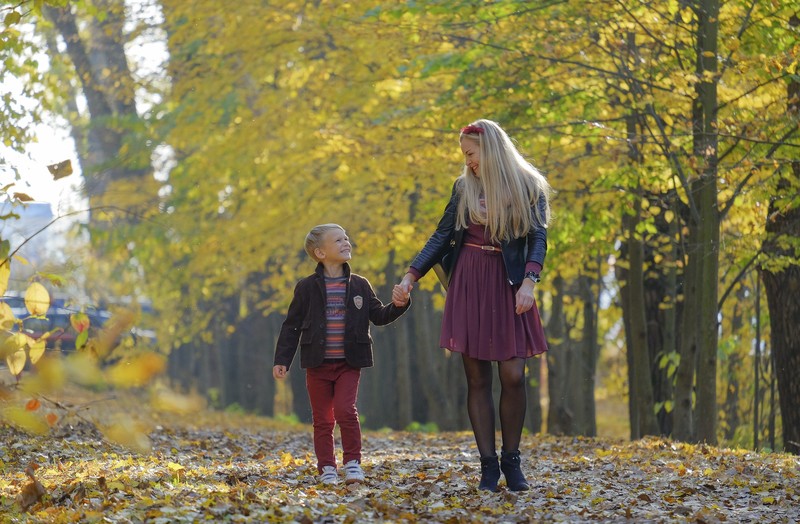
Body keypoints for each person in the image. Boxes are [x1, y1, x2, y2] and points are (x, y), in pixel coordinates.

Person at [398, 119, 551, 492]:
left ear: (491, 149)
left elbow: (538, 238)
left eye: (471, 154)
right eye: (464, 155)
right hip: (469, 279)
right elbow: (442, 235)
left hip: (510, 282)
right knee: (477, 378)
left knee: (513, 375)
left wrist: (530, 281)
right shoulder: (463, 187)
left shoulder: (529, 186)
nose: (468, 162)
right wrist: (410, 276)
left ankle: (512, 461)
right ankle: (488, 466)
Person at [273, 223, 411, 486]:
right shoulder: (306, 287)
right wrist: (282, 360)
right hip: (317, 364)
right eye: (338, 240)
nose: (346, 242)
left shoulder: (360, 284)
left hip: (349, 362)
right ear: (320, 253)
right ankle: (326, 467)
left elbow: (379, 316)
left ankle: (353, 463)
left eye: (346, 238)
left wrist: (399, 305)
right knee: (322, 419)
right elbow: (291, 325)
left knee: (345, 410)